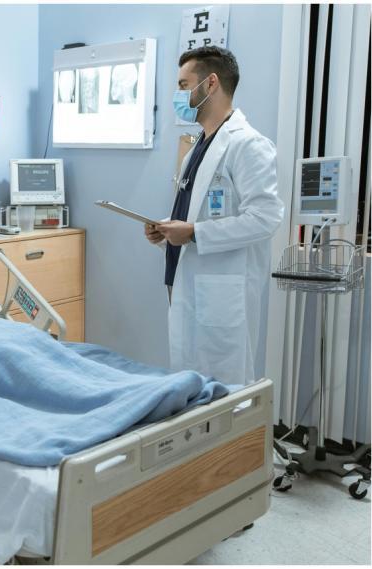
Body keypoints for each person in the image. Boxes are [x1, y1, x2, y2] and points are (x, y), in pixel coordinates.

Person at [143, 46, 284, 385]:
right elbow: (197, 212)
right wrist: (166, 232)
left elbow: (266, 217)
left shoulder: (247, 145)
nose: (178, 94)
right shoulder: (198, 146)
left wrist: (193, 233)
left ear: (210, 84)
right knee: (190, 384)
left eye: (182, 84)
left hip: (221, 294)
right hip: (186, 281)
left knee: (225, 392)